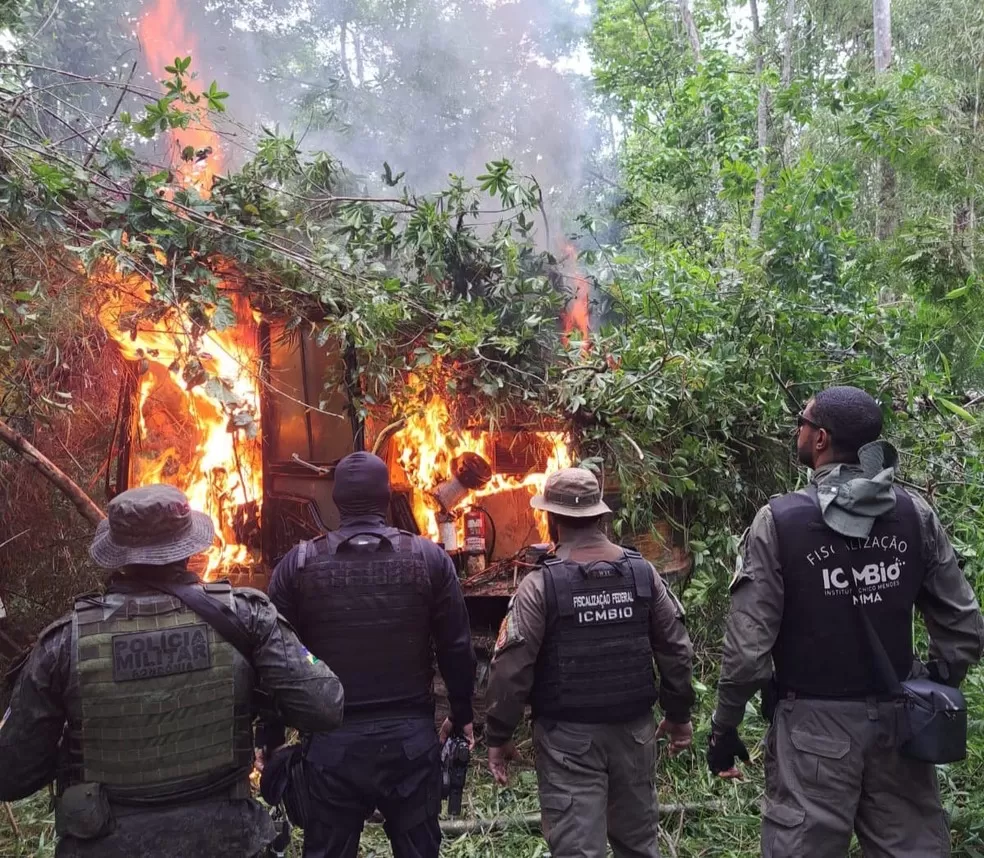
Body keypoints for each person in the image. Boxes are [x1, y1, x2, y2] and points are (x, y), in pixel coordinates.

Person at [709, 385, 984, 857]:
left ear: (820, 439)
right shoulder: (913, 513)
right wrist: (932, 688)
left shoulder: (780, 522)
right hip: (901, 721)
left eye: (802, 420)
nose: (797, 428)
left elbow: (747, 652)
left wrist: (725, 726)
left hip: (812, 730)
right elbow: (963, 625)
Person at [0, 484, 345, 858]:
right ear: (189, 548)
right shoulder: (249, 618)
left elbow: (12, 774)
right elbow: (325, 704)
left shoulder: (64, 644)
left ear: (118, 554)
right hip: (226, 841)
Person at [265, 451, 476, 858]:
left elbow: (279, 659)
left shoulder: (299, 564)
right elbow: (456, 645)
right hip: (411, 746)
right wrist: (463, 714)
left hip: (330, 748)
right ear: (386, 498)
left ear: (337, 501)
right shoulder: (429, 558)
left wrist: (271, 738)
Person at [484, 467, 696, 858]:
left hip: (569, 742)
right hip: (634, 735)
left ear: (551, 518)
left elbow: (511, 669)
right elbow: (677, 651)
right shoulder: (643, 573)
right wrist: (679, 715)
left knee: (578, 851)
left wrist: (498, 735)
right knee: (638, 846)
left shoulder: (539, 585)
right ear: (601, 516)